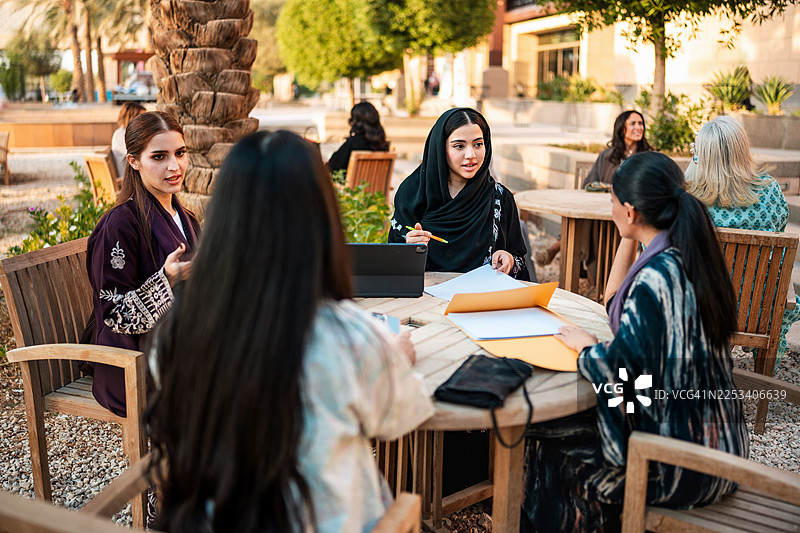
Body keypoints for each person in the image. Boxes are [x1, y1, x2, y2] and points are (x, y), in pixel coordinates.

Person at [146, 130, 434, 533]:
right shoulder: (347, 339)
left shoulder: (176, 334)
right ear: (320, 217)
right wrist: (396, 360)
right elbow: (402, 418)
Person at [522, 152, 749, 532]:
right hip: (723, 447)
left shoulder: (654, 280)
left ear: (630, 212)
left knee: (544, 442)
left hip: (681, 465)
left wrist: (588, 350)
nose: (609, 208)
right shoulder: (691, 257)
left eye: (612, 201)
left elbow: (623, 378)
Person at [87, 111, 200, 416]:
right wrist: (166, 280)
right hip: (133, 364)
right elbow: (114, 314)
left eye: (180, 153)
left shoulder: (186, 218)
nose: (174, 166)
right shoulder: (119, 226)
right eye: (159, 157)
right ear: (134, 161)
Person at [686, 115, 799, 369]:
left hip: (696, 310)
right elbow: (777, 240)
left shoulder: (688, 198)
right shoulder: (770, 193)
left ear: (702, 153)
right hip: (755, 310)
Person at [389, 107, 530, 281]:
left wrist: (508, 260)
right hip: (424, 300)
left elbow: (519, 262)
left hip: (483, 300)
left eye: (478, 144)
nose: (471, 155)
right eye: (459, 146)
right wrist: (410, 249)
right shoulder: (412, 194)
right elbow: (392, 264)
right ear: (441, 148)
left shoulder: (500, 198)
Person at [535, 110, 654, 269]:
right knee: (584, 216)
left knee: (587, 222)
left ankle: (557, 247)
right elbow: (589, 183)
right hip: (604, 209)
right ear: (621, 128)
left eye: (640, 124)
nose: (638, 127)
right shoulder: (607, 156)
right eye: (633, 123)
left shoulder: (648, 157)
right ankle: (595, 275)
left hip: (633, 213)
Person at [327, 101, 390, 173]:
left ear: (356, 121)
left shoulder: (353, 143)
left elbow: (333, 166)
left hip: (354, 184)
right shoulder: (383, 145)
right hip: (378, 184)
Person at [111, 102, 146, 178]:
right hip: (130, 177)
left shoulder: (124, 133)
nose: (144, 121)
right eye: (141, 118)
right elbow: (137, 156)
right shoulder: (121, 134)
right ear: (132, 117)